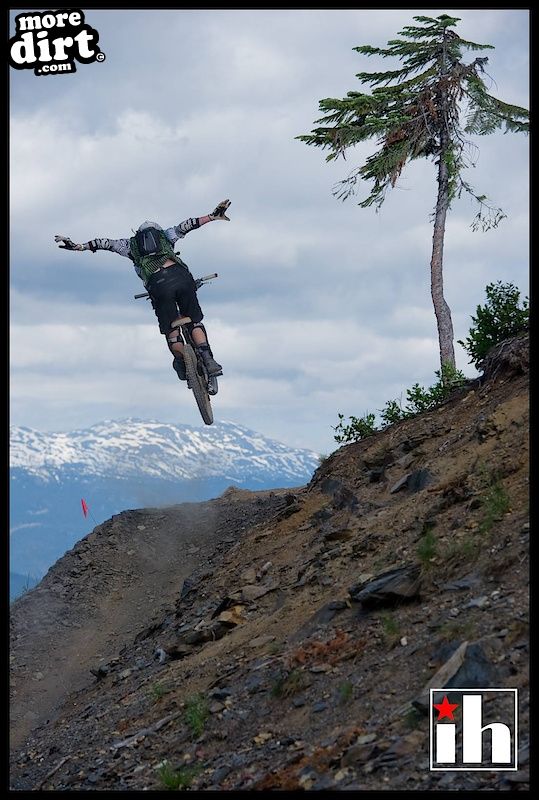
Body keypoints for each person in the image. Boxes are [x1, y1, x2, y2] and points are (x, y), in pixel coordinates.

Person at [54, 199, 231, 381]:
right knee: (194, 321)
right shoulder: (167, 235)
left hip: (158, 285)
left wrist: (78, 246)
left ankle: (182, 361)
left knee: (171, 330)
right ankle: (208, 358)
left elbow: (104, 243)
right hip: (181, 277)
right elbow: (187, 225)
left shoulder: (130, 245)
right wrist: (212, 216)